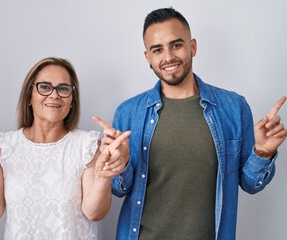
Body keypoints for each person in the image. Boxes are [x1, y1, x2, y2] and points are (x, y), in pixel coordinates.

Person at [96, 7, 287, 240]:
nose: (168, 57)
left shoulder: (234, 108)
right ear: (148, 58)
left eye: (176, 45)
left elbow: (250, 184)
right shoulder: (127, 113)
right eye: (157, 49)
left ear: (192, 46)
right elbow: (119, 188)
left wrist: (263, 152)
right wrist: (120, 164)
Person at [0, 57, 130, 240]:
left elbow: (94, 213)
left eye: (63, 88)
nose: (54, 94)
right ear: (29, 96)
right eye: (45, 87)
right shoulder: (4, 147)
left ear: (72, 100)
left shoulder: (87, 146)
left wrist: (104, 177)